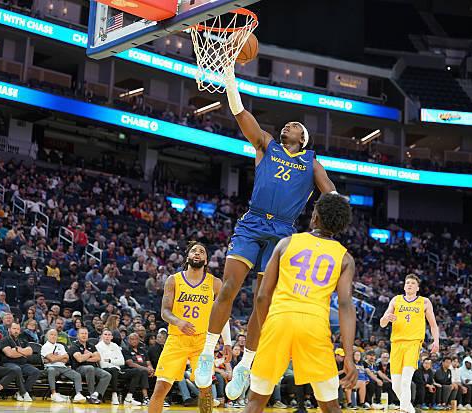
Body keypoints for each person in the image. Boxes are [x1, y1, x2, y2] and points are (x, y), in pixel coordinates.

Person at [194, 61, 337, 399]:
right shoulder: (267, 145)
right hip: (253, 222)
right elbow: (240, 112)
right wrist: (229, 78)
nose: (289, 125)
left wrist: (329, 221)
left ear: (303, 138)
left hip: (283, 232)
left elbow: (330, 194)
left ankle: (246, 364)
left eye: (295, 126)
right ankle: (207, 353)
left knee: (263, 300)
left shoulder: (311, 162)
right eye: (288, 124)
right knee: (228, 288)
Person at [241, 193, 358, 413]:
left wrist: (267, 329)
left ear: (315, 217)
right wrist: (349, 356)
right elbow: (345, 306)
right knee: (330, 405)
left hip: (279, 319)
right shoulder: (345, 258)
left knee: (255, 401)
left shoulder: (286, 243)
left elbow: (262, 296)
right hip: (315, 326)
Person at [148, 241, 232, 413]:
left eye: (202, 251)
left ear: (206, 260)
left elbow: (222, 314)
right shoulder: (173, 280)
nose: (197, 253)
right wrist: (178, 322)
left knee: (205, 389)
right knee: (161, 388)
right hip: (176, 339)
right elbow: (164, 312)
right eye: (194, 251)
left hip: (202, 342)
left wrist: (228, 342)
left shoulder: (215, 283)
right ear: (187, 257)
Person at [380, 274, 440, 413]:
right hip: (396, 344)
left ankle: (404, 410)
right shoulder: (396, 300)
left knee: (406, 381)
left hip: (413, 343)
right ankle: (411, 410)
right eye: (407, 283)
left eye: (413, 283)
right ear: (404, 286)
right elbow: (382, 324)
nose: (410, 285)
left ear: (417, 288)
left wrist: (436, 340)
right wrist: (386, 317)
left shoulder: (424, 302)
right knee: (395, 385)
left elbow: (433, 325)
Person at [96, 329, 148, 406]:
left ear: (112, 337)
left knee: (138, 371)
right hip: (105, 370)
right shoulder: (98, 346)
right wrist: (114, 360)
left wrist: (110, 360)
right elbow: (103, 363)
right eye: (105, 334)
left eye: (109, 335)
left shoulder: (115, 346)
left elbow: (122, 361)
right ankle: (114, 395)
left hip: (118, 370)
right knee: (114, 370)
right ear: (102, 336)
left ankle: (129, 397)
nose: (107, 336)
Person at [0, 323, 41, 401]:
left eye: (18, 329)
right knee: (17, 369)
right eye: (14, 329)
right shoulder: (4, 340)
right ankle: (24, 393)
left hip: (22, 364)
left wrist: (18, 350)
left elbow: (30, 352)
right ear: (9, 329)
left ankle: (20, 393)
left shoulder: (23, 340)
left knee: (36, 371)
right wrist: (23, 353)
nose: (16, 331)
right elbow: (10, 354)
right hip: (8, 364)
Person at [41, 329, 87, 403]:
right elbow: (52, 359)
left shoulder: (61, 346)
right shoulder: (45, 347)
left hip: (63, 367)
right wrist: (60, 357)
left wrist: (54, 358)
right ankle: (54, 394)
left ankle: (78, 394)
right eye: (51, 334)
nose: (53, 336)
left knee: (77, 375)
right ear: (47, 336)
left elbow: (66, 359)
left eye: (55, 335)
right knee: (51, 371)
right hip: (51, 367)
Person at [68, 327, 112, 404]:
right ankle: (91, 393)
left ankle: (95, 395)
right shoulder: (74, 346)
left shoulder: (91, 345)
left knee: (107, 375)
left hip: (93, 367)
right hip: (79, 368)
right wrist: (90, 354)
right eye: (82, 333)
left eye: (86, 333)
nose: (84, 335)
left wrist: (85, 357)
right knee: (90, 368)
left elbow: (98, 358)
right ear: (78, 335)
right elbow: (79, 359)